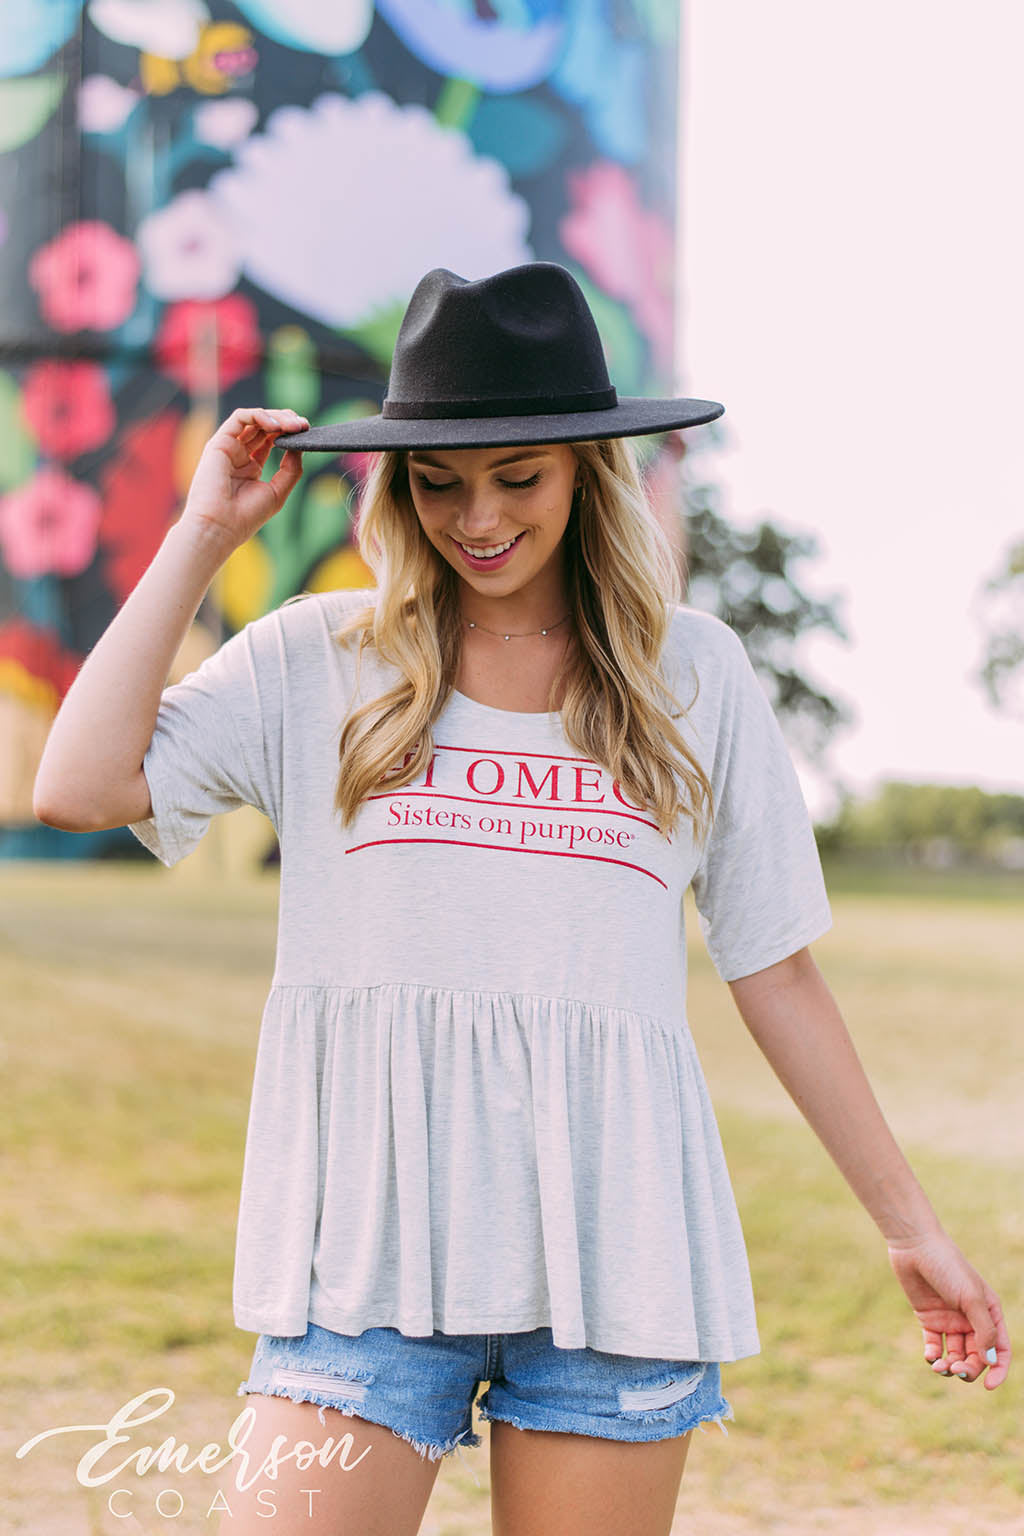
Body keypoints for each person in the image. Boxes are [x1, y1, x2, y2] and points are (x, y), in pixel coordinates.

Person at [33, 262, 1011, 1536]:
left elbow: (774, 968)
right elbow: (76, 785)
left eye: (517, 478)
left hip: (618, 1273)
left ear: (587, 473)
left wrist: (908, 1226)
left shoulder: (693, 677)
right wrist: (204, 533)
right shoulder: (321, 658)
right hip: (361, 1269)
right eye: (438, 482)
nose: (477, 517)